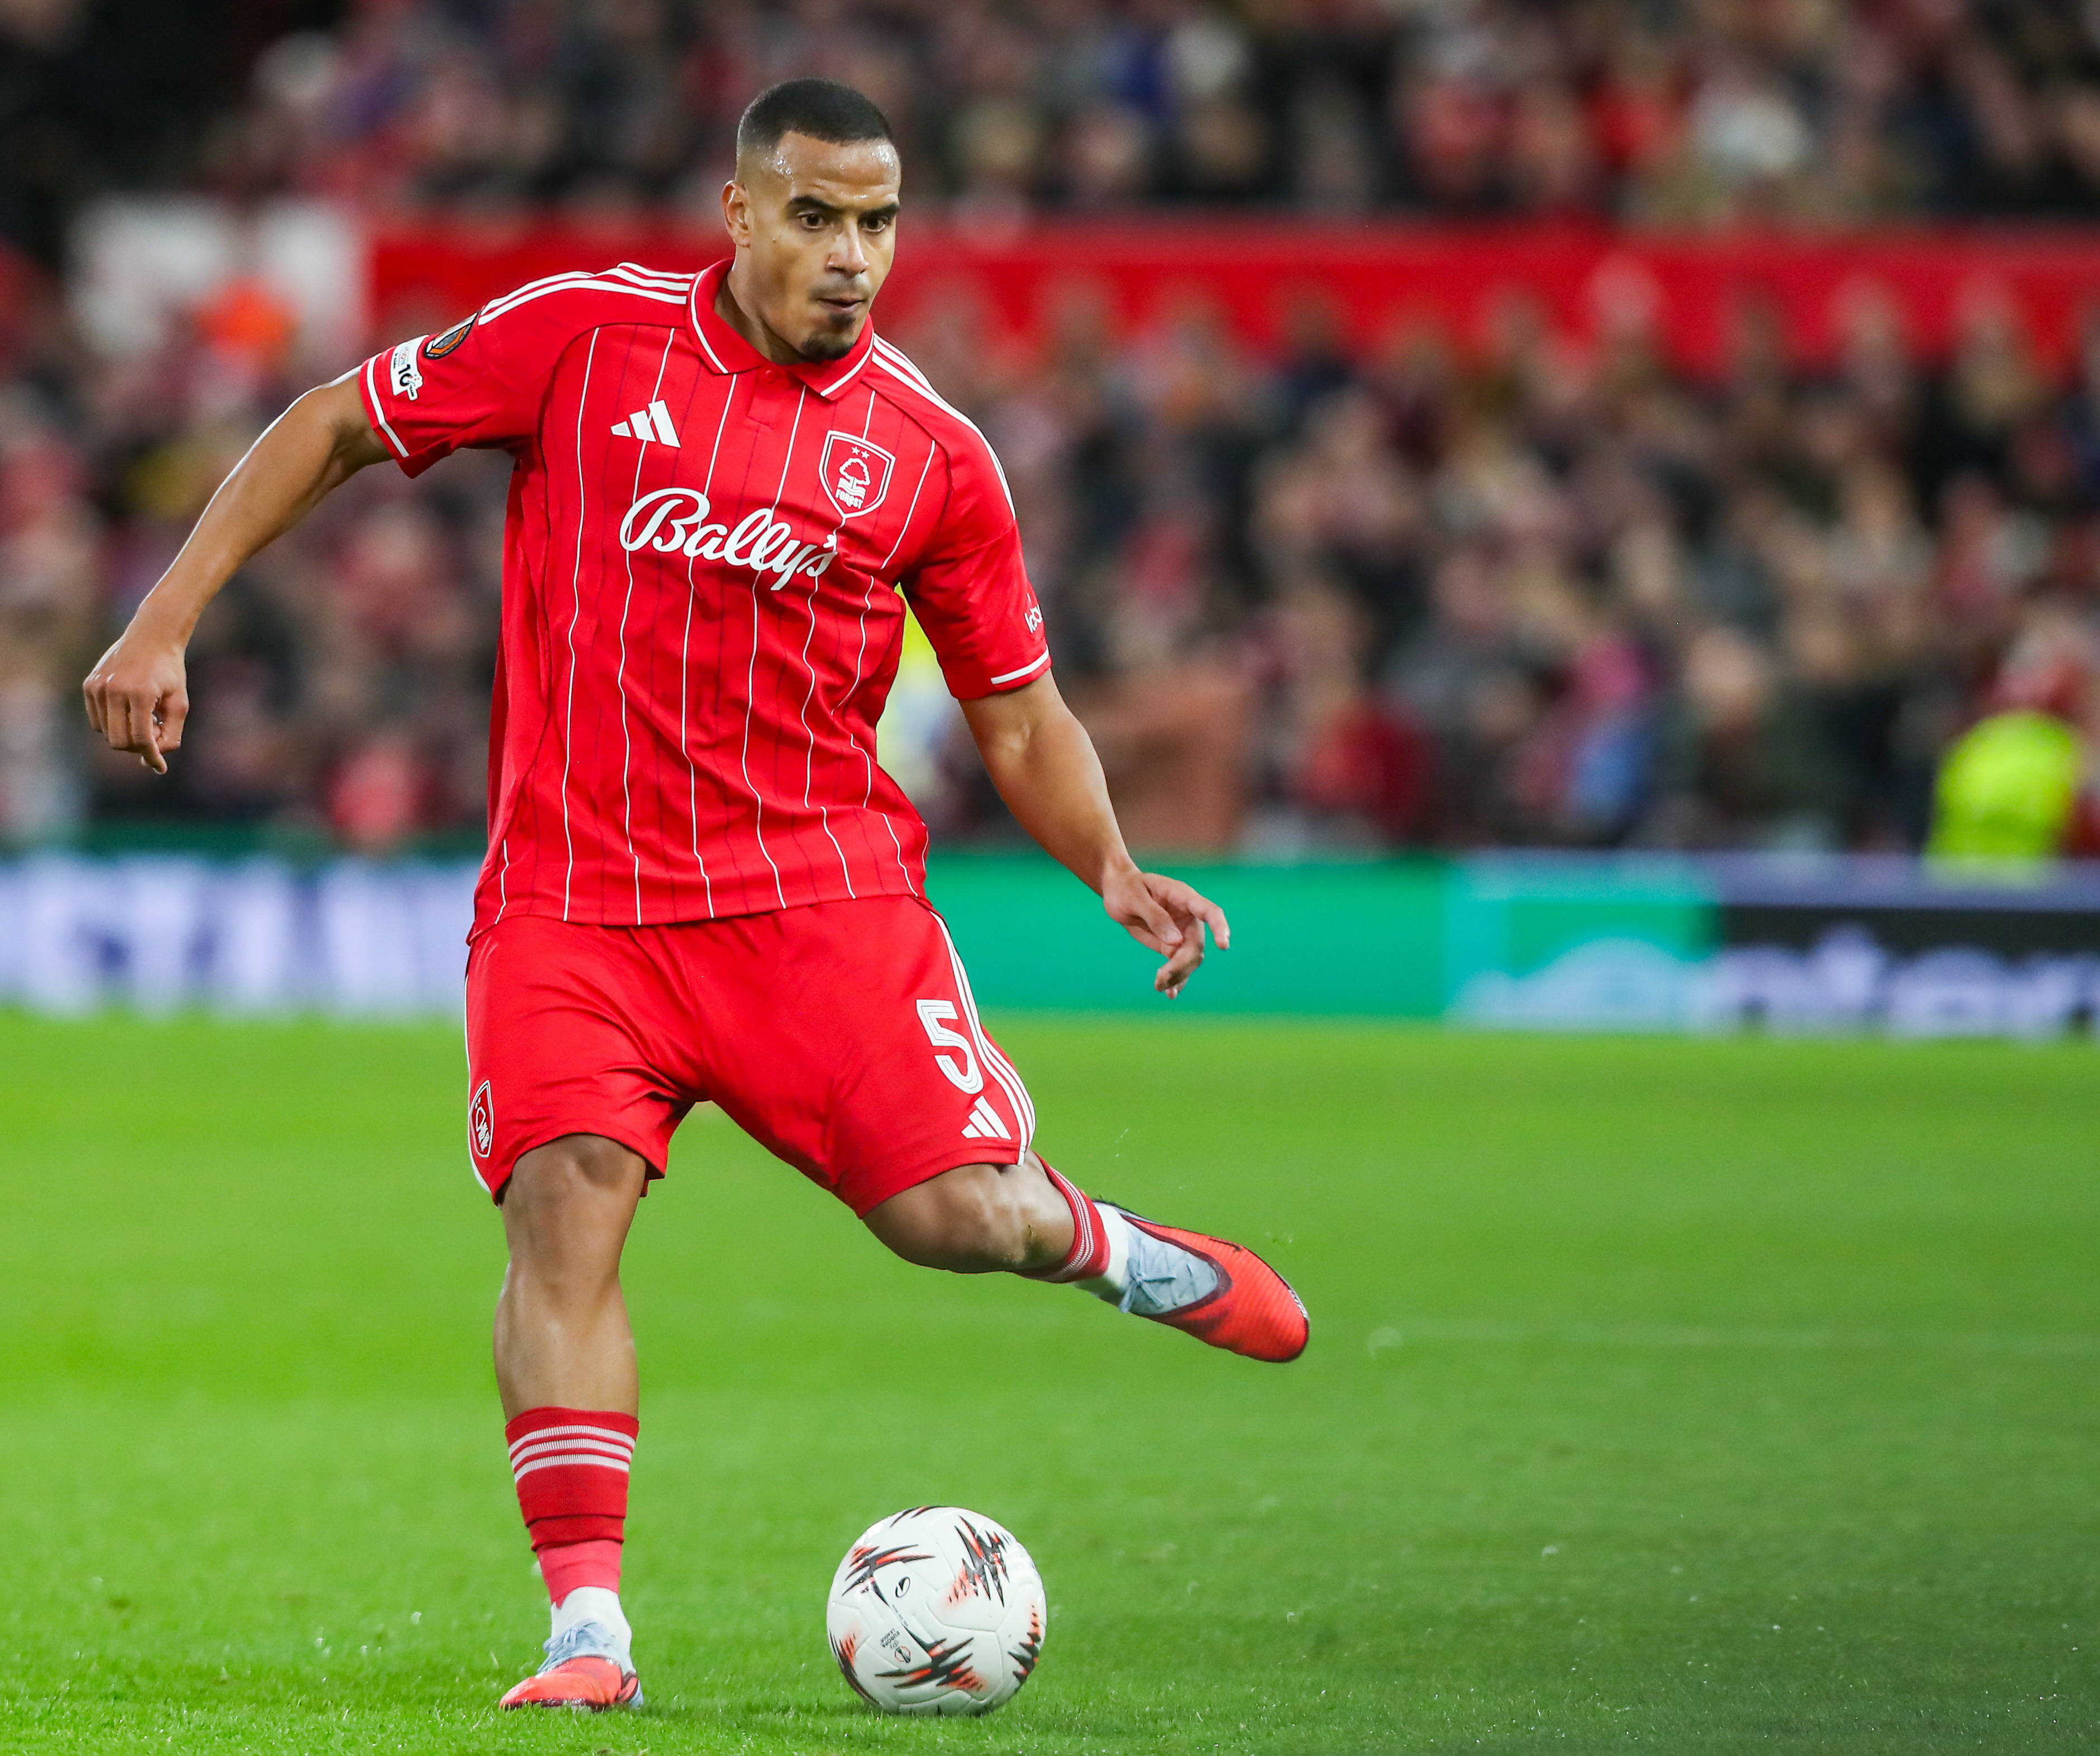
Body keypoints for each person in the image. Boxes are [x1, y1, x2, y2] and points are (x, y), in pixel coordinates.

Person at [83, 77, 1309, 1714]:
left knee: (954, 1221)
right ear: (737, 214)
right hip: (575, 903)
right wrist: (159, 620)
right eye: (813, 216)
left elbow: (1013, 703)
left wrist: (1107, 863)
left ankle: (1105, 1245)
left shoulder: (932, 454)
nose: (850, 255)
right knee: (563, 1199)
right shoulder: (584, 339)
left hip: (817, 900)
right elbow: (329, 422)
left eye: (876, 222)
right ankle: (587, 1631)